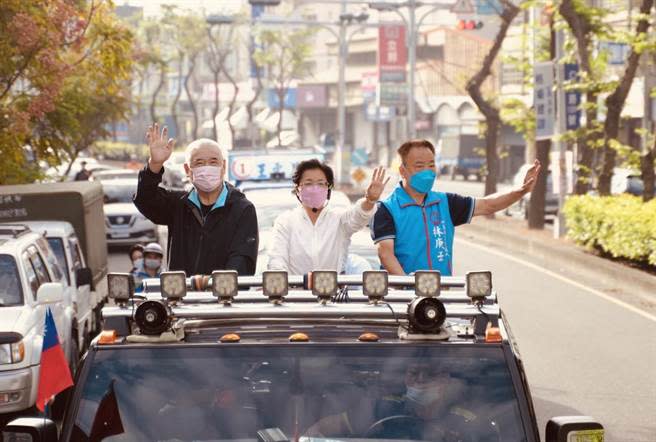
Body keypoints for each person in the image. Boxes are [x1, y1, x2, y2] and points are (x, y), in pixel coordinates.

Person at [372, 139, 541, 275]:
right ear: (403, 171)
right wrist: (410, 288)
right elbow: (386, 254)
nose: (427, 171)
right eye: (419, 166)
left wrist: (521, 191)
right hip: (401, 299)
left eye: (431, 165)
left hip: (442, 297)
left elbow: (488, 205)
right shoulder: (387, 208)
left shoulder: (446, 202)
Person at [133, 123, 258, 275]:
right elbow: (145, 199)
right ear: (187, 170)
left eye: (213, 162)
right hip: (182, 295)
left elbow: (242, 258)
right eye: (199, 163)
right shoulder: (178, 204)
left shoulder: (242, 209)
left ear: (223, 167)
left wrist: (220, 285)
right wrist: (155, 164)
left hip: (225, 295)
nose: (207, 168)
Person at [267, 160, 389, 274]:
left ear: (328, 189)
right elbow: (277, 258)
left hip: (333, 294)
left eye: (321, 184)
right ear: (298, 189)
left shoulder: (339, 219)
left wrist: (370, 200)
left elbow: (358, 216)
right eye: (308, 183)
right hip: (296, 293)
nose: (315, 188)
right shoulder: (285, 221)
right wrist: (278, 279)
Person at [305, 363, 471, 441]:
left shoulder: (464, 422)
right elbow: (321, 429)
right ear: (406, 378)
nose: (420, 380)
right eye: (414, 373)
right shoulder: (381, 408)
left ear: (445, 380)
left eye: (430, 374)